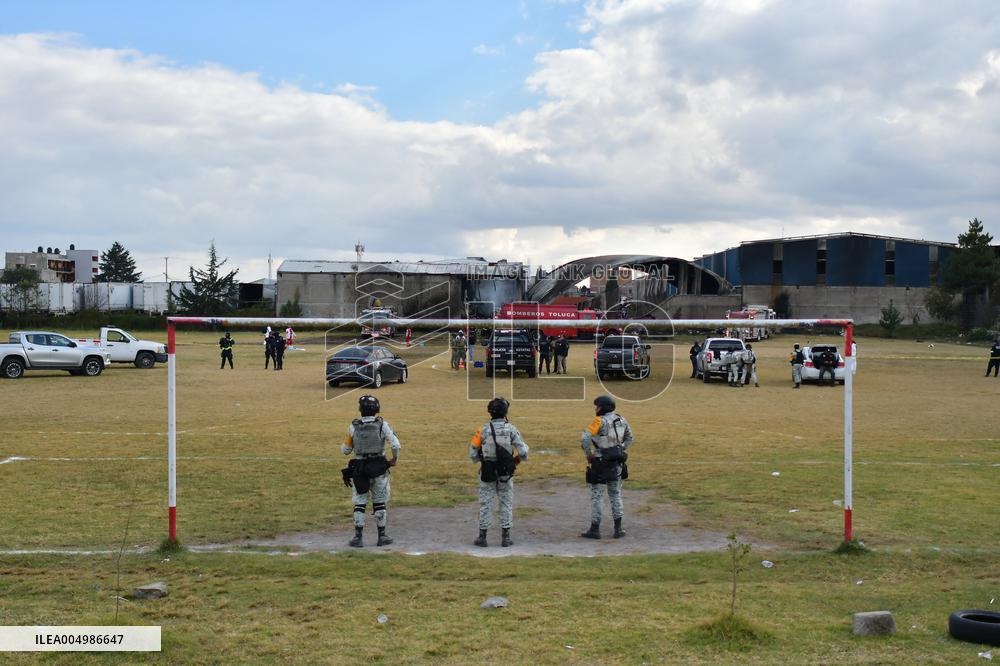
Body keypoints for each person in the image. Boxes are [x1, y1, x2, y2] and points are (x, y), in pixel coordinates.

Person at [469, 397, 529, 547]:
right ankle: (506, 538)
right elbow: (524, 452)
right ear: (505, 412)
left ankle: (482, 537)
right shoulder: (512, 430)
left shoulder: (483, 430)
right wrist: (514, 462)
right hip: (505, 472)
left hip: (487, 471)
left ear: (490, 412)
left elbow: (473, 453)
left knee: (486, 503)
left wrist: (482, 462)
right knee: (506, 503)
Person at [342, 395, 400, 547]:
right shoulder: (383, 425)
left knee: (360, 503)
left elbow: (345, 450)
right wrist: (394, 460)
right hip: (379, 468)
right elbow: (395, 445)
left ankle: (358, 537)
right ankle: (382, 536)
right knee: (379, 502)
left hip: (360, 469)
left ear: (360, 409)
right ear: (377, 409)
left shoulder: (353, 427)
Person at [580, 395, 634, 540]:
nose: (596, 409)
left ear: (603, 408)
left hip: (600, 462)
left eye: (597, 407)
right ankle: (618, 528)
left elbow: (585, 438)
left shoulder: (599, 421)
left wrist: (588, 454)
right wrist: (620, 449)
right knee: (615, 494)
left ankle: (595, 529)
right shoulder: (621, 419)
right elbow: (630, 437)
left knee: (597, 496)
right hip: (617, 462)